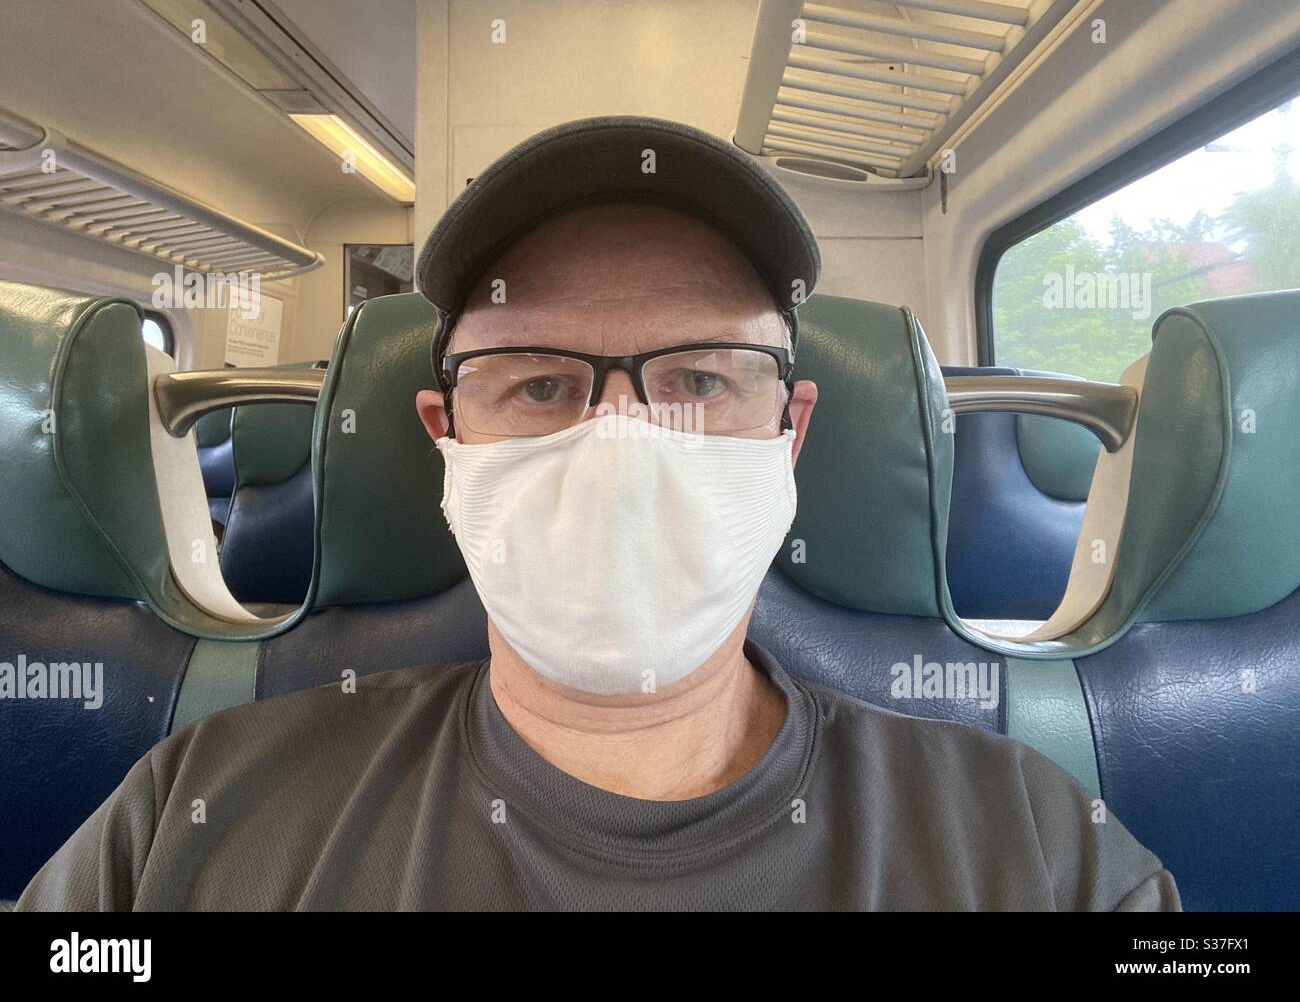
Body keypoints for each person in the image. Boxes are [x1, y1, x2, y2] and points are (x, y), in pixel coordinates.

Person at [18, 116, 1179, 911]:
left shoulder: (1037, 851)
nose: (623, 438)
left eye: (699, 377)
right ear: (444, 440)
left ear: (793, 432)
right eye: (537, 381)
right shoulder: (190, 818)